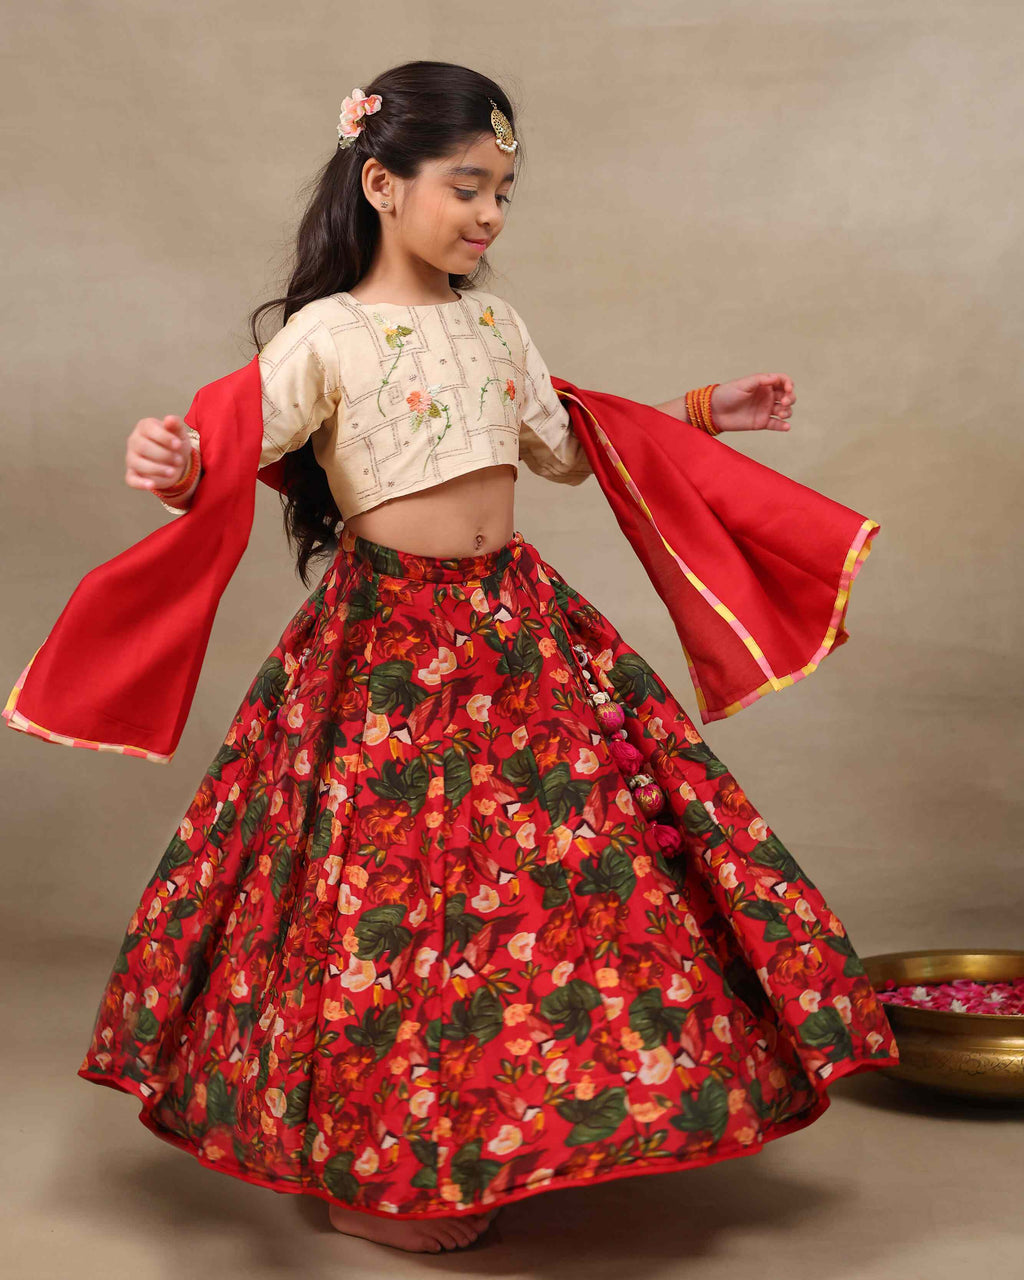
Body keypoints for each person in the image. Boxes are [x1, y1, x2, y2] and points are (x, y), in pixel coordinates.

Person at [9, 60, 899, 1256]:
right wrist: (171, 461)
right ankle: (378, 1163)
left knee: (558, 890)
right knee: (387, 907)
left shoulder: (494, 323)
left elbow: (566, 443)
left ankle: (527, 1123)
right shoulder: (329, 336)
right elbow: (225, 451)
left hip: (514, 631)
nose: (488, 215)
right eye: (466, 187)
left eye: (504, 195)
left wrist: (702, 410)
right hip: (385, 654)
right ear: (380, 181)